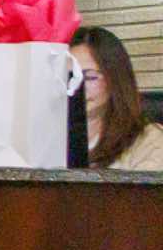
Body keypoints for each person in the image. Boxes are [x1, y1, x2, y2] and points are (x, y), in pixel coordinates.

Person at [70, 25, 163, 171]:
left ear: (116, 79)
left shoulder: (149, 141)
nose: (76, 87)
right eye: (69, 76)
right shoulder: (46, 139)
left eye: (89, 77)